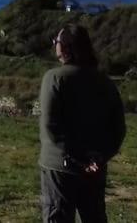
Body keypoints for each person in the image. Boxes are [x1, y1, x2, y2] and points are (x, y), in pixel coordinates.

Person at [39, 24, 126, 222]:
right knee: (94, 217)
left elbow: (51, 127)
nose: (54, 45)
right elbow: (118, 128)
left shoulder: (54, 78)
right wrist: (99, 158)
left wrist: (78, 159)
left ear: (66, 47)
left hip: (59, 168)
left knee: (58, 217)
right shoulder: (105, 81)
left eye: (57, 42)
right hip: (95, 168)